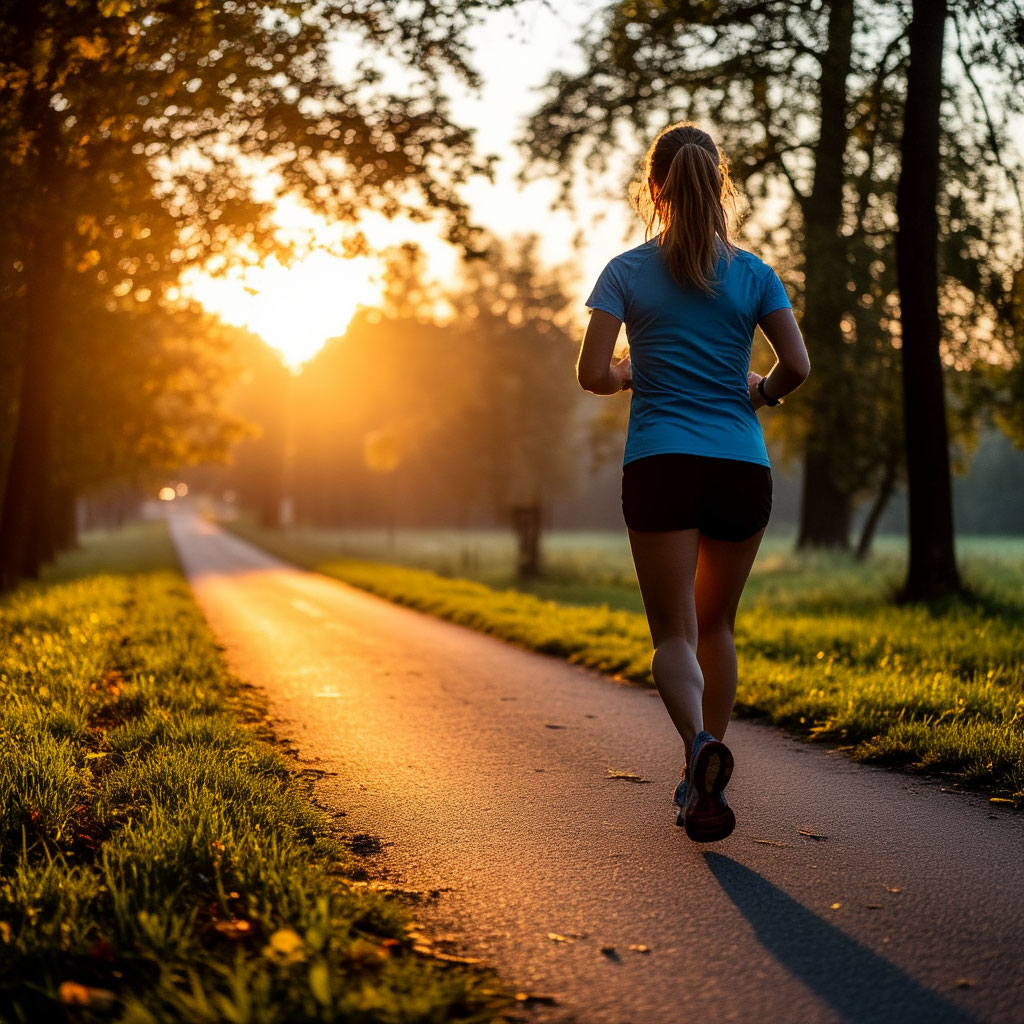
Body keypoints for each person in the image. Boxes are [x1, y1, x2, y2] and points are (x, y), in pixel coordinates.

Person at [577, 122, 810, 843]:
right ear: (718, 185)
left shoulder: (625, 271)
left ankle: (699, 748)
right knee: (717, 627)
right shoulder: (754, 273)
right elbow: (797, 367)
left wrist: (626, 374)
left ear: (656, 189)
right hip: (740, 467)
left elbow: (591, 374)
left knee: (674, 635)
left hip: (661, 464)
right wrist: (760, 392)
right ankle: (701, 778)